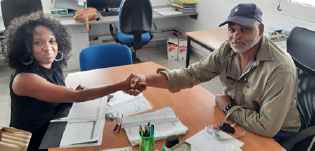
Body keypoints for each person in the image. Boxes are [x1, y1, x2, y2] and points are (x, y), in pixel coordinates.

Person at [126, 3, 301, 141]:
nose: (235, 36)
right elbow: (191, 74)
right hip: (241, 118)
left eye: (245, 29)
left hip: (277, 134)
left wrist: (228, 106)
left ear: (261, 30)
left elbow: (267, 127)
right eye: (232, 30)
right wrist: (146, 79)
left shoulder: (280, 68)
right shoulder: (228, 50)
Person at [5, 12, 144, 150]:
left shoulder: (52, 64)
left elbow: (60, 96)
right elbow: (76, 97)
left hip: (53, 128)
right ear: (25, 48)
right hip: (32, 143)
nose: (48, 48)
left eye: (52, 41)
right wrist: (121, 85)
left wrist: (68, 93)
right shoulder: (24, 79)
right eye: (38, 43)